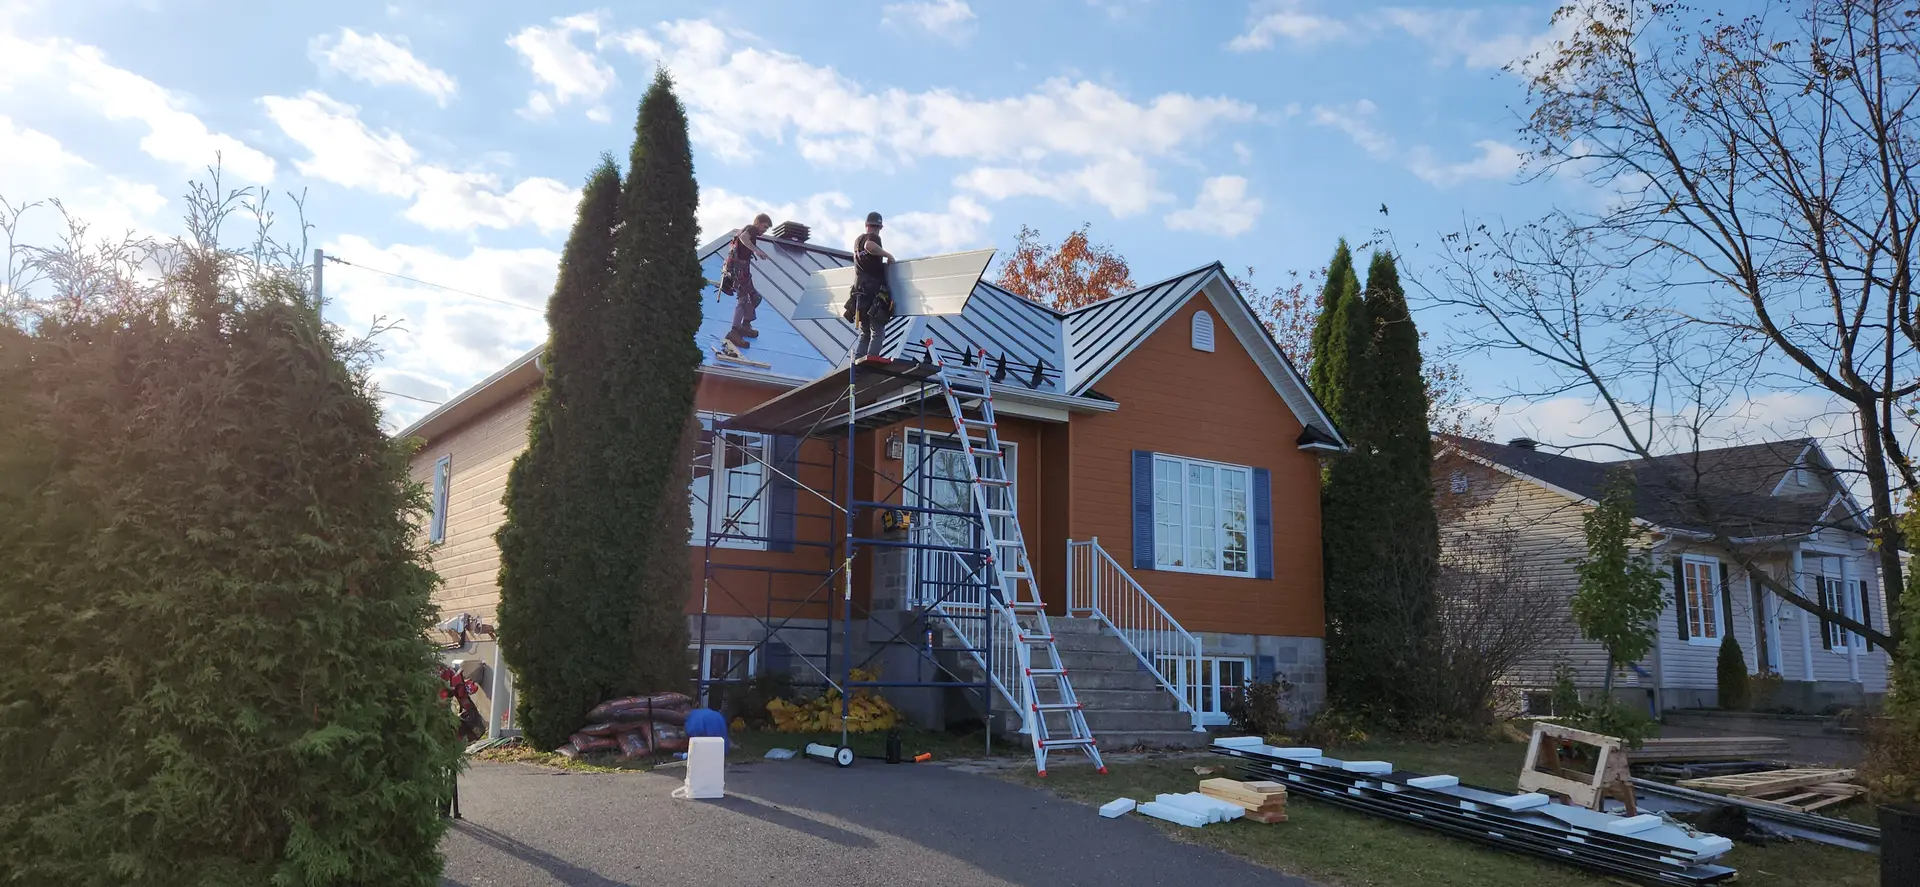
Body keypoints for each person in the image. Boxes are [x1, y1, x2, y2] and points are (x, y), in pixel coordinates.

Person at [848, 211, 895, 362]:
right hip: (873, 291)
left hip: (859, 292)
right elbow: (870, 246)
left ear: (866, 224)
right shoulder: (873, 238)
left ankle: (859, 363)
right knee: (877, 331)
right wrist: (888, 255)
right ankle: (871, 362)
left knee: (865, 332)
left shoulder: (857, 241)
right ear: (879, 227)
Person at [723, 214, 772, 349]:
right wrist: (756, 251)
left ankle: (745, 325)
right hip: (738, 270)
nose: (765, 230)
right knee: (743, 299)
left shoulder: (751, 232)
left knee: (755, 298)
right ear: (758, 223)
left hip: (741, 270)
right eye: (765, 226)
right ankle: (735, 331)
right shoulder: (751, 229)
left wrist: (758, 252)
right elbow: (744, 238)